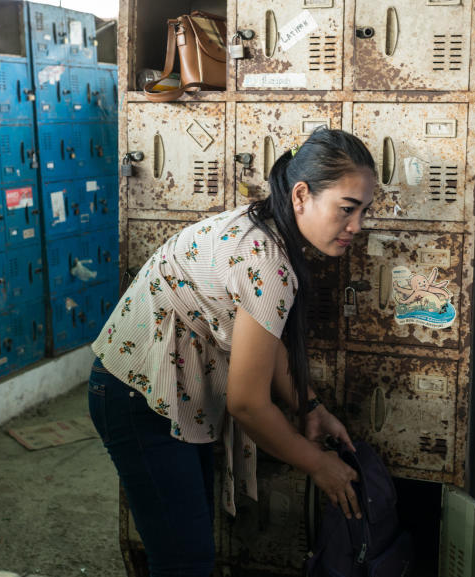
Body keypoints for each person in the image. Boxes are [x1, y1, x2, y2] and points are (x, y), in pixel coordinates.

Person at [88, 127, 377, 577]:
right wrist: (319, 465)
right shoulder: (266, 260)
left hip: (163, 395)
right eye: (347, 209)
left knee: (190, 551)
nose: (357, 227)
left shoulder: (264, 226)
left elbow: (263, 343)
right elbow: (246, 403)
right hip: (138, 400)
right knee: (184, 563)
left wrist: (309, 405)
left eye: (364, 211)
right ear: (302, 195)